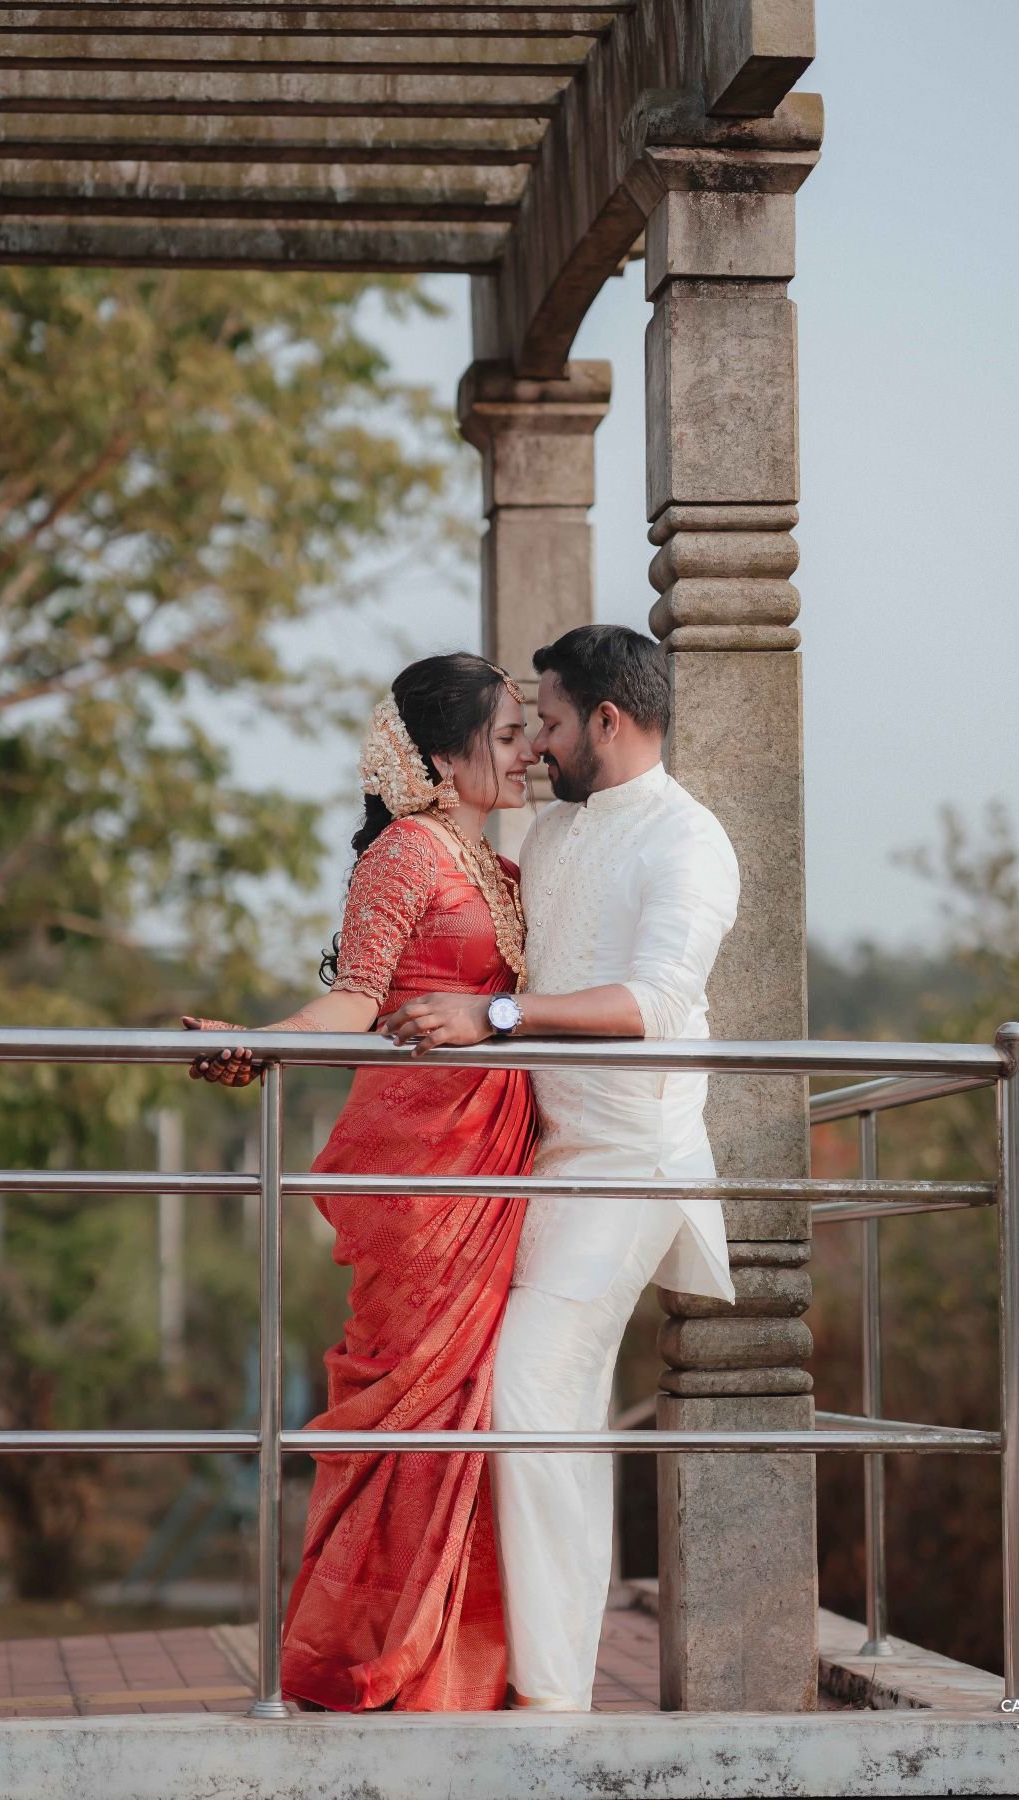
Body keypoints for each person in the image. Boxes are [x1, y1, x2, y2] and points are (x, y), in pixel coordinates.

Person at [381, 623, 740, 1713]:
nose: (535, 741)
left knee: (534, 1387)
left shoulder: (689, 842)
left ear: (608, 721)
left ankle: (552, 1695)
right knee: (545, 1403)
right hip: (540, 1162)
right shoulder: (550, 838)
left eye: (546, 718)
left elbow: (654, 1006)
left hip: (633, 1161)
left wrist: (499, 1016)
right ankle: (537, 1677)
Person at [182, 652, 539, 1712]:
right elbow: (356, 1002)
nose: (527, 753)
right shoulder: (406, 855)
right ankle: (376, 1653)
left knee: (471, 1410)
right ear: (441, 757)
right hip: (419, 1169)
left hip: (490, 1160)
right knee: (411, 1407)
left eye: (529, 731)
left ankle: (457, 1660)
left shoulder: (499, 863)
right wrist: (261, 1038)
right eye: (508, 735)